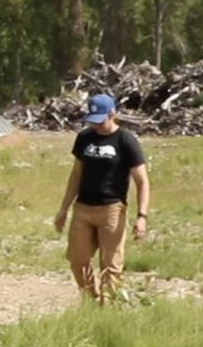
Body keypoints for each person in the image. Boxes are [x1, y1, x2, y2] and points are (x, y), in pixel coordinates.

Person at [53, 93, 150, 301]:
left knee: (110, 265)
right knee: (77, 259)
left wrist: (142, 216)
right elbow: (76, 174)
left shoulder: (126, 141)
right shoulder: (85, 138)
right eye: (93, 121)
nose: (97, 126)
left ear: (113, 115)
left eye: (101, 121)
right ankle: (91, 298)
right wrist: (64, 209)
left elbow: (142, 181)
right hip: (83, 208)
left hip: (112, 210)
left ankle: (109, 305)